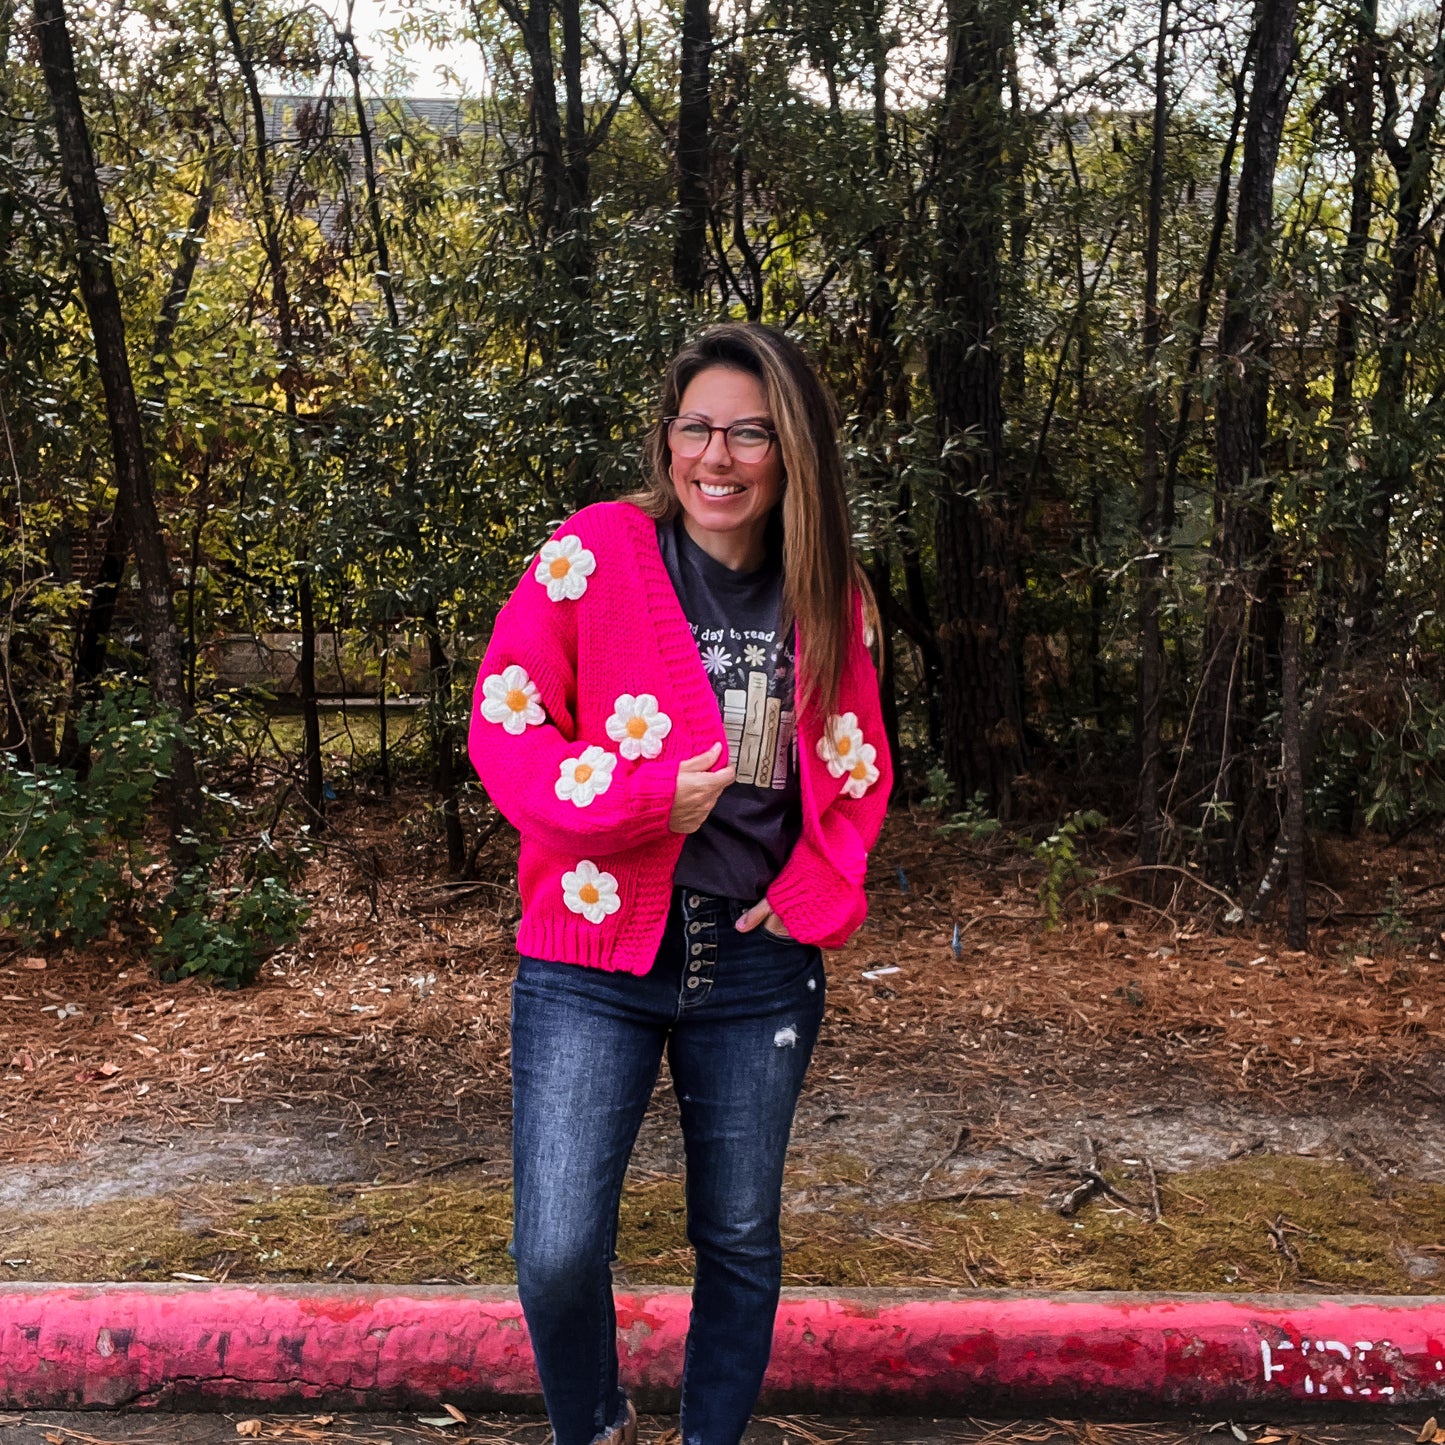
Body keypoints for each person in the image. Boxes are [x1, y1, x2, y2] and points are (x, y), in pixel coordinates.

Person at [468, 322, 892, 1445]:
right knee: (557, 1247)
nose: (718, 454)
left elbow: (854, 769)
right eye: (696, 426)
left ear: (790, 450)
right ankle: (592, 1426)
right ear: (667, 441)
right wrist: (645, 800)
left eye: (749, 432)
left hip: (753, 963)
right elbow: (508, 729)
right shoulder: (593, 554)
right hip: (587, 955)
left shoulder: (827, 591)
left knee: (740, 1241)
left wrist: (812, 892)